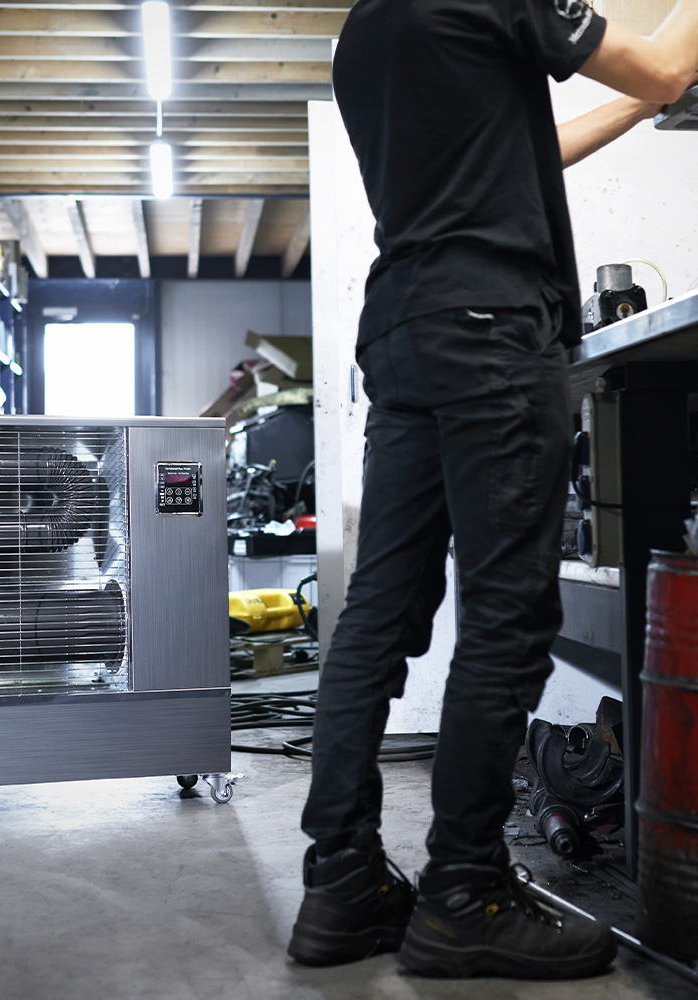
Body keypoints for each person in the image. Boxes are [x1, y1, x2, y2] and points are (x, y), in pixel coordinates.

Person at [288, 0, 698, 981]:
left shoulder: (366, 34)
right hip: (490, 329)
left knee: (377, 613)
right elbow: (666, 70)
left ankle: (339, 877)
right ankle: (464, 889)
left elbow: (526, 150)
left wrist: (636, 111)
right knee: (507, 619)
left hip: (404, 329)